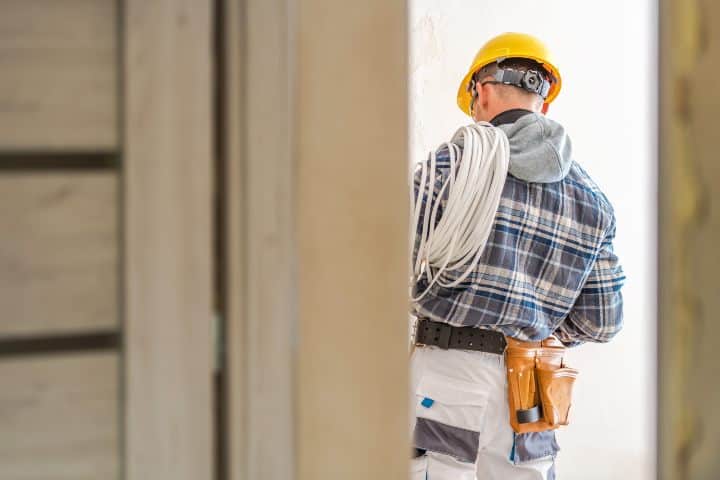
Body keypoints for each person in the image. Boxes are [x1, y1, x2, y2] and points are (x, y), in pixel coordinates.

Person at [409, 32, 625, 480]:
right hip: (528, 395)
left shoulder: (449, 167)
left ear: (481, 93)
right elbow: (602, 321)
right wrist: (534, 319)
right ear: (543, 103)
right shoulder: (593, 202)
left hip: (447, 380)